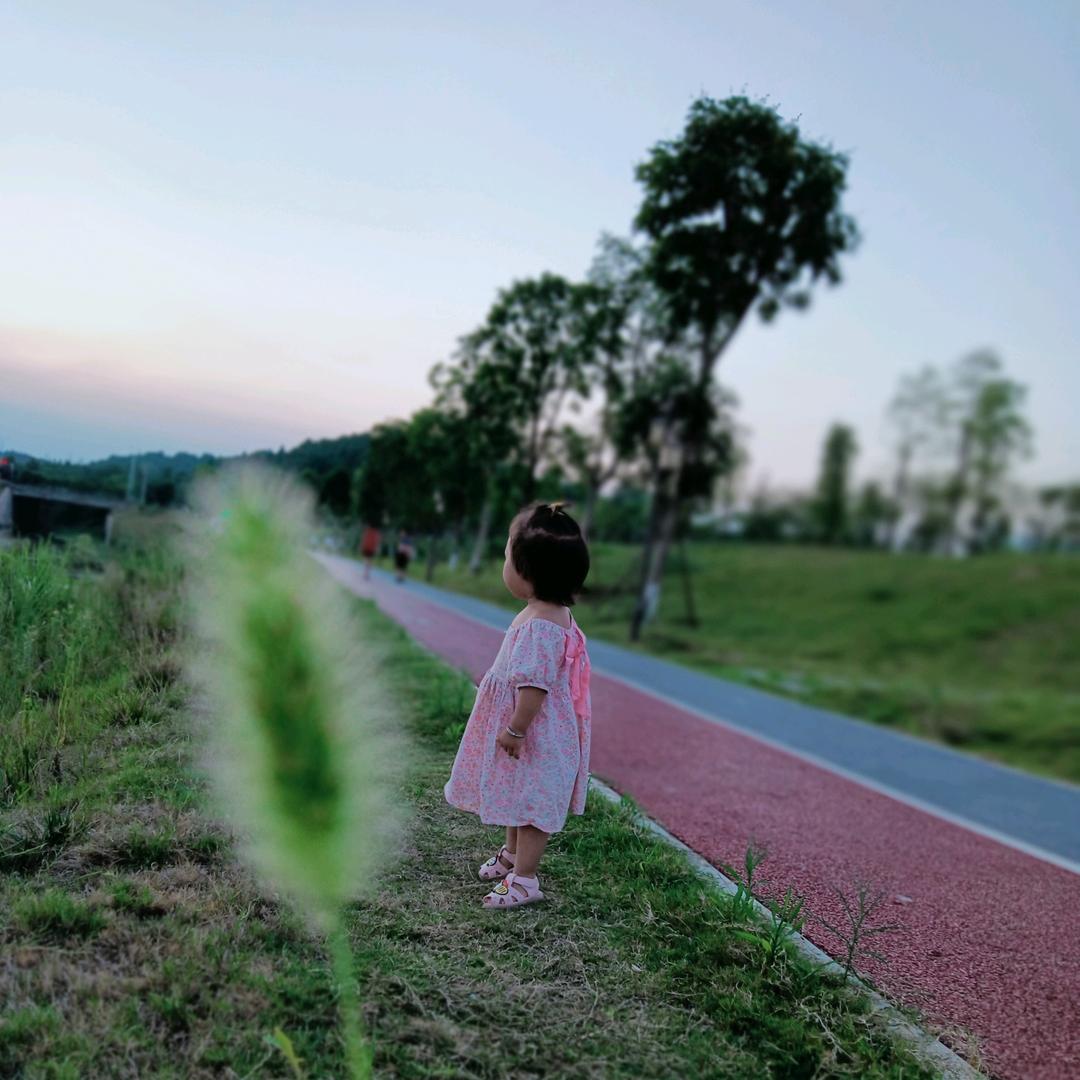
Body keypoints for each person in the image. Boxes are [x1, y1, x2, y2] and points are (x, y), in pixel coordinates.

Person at [444, 502, 592, 909]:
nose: (503, 562)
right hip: (533, 731)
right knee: (517, 792)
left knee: (530, 804)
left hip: (535, 733)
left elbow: (535, 686)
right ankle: (512, 856)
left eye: (507, 555)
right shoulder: (544, 612)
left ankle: (525, 879)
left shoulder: (542, 625)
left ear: (529, 573)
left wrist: (516, 728)